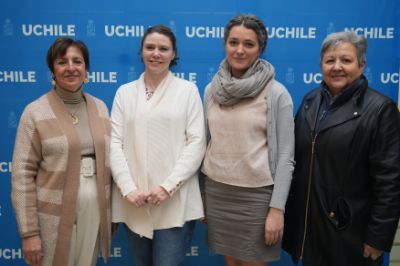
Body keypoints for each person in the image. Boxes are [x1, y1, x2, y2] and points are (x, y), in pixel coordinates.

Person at [282, 31, 400, 266]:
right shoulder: (309, 101)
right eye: (330, 60)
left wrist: (378, 237)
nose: (337, 67)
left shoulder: (381, 109)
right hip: (311, 231)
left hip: (351, 234)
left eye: (346, 60)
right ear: (321, 65)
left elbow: (390, 181)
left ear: (362, 64)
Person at [201, 14, 295, 266]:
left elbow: (286, 157)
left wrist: (277, 209)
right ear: (225, 44)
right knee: (231, 262)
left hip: (257, 199)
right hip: (218, 192)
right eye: (233, 42)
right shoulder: (212, 90)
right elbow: (206, 144)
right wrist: (201, 194)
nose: (239, 50)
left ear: (260, 49)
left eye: (248, 44)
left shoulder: (276, 93)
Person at [110, 25, 205, 266]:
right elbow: (114, 144)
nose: (156, 53)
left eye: (164, 49)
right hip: (135, 200)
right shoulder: (125, 93)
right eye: (150, 47)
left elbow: (196, 143)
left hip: (174, 200)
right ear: (141, 52)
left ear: (174, 54)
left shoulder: (187, 91)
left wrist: (167, 187)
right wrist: (128, 188)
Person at [11, 37, 112, 266]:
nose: (71, 68)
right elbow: (22, 174)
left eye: (77, 61)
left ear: (86, 68)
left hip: (94, 206)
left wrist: (109, 213)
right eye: (62, 62)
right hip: (52, 214)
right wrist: (29, 232)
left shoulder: (100, 107)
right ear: (52, 70)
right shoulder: (35, 112)